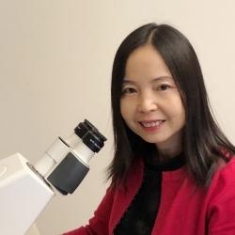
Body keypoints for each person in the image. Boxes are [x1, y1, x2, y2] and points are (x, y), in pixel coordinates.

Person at [64, 23, 235, 235]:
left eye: (162, 87)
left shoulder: (227, 180)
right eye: (130, 90)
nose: (145, 105)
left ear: (191, 90)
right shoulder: (135, 165)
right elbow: (97, 232)